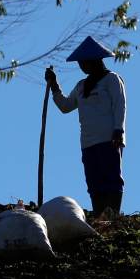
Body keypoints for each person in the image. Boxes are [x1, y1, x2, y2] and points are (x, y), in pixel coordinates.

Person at [45, 36, 127, 217]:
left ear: (94, 61)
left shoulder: (112, 80)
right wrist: (54, 86)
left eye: (83, 62)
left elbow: (120, 105)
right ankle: (100, 216)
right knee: (94, 181)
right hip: (88, 142)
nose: (81, 66)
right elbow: (66, 106)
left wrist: (118, 130)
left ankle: (112, 216)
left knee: (111, 178)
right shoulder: (81, 86)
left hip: (109, 138)